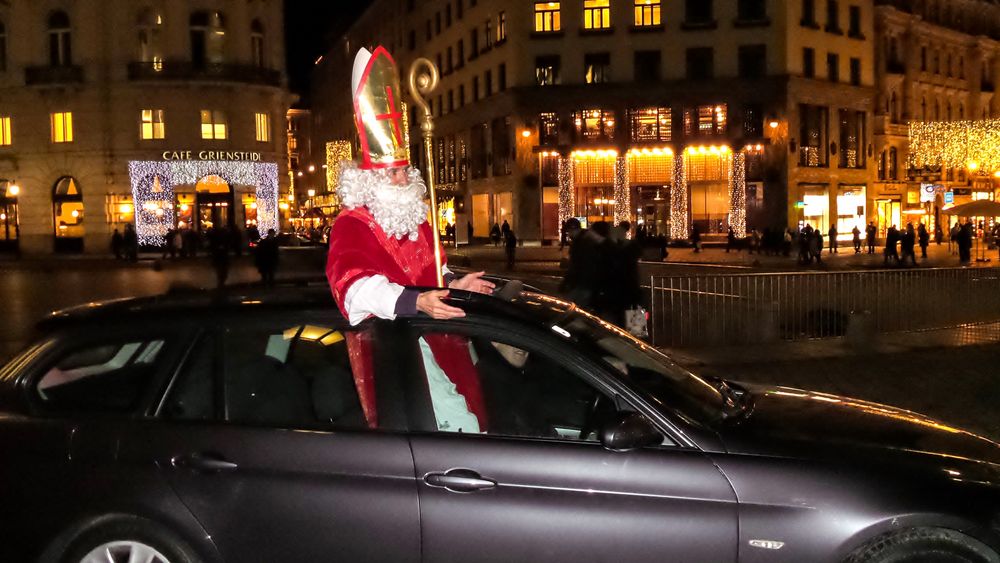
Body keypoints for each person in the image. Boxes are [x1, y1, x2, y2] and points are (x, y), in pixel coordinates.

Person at [326, 46, 495, 433]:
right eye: (396, 174)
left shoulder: (415, 217)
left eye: (405, 170)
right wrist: (415, 300)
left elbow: (430, 268)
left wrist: (452, 283)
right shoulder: (353, 224)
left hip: (440, 340)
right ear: (371, 180)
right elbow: (352, 288)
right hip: (397, 353)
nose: (406, 180)